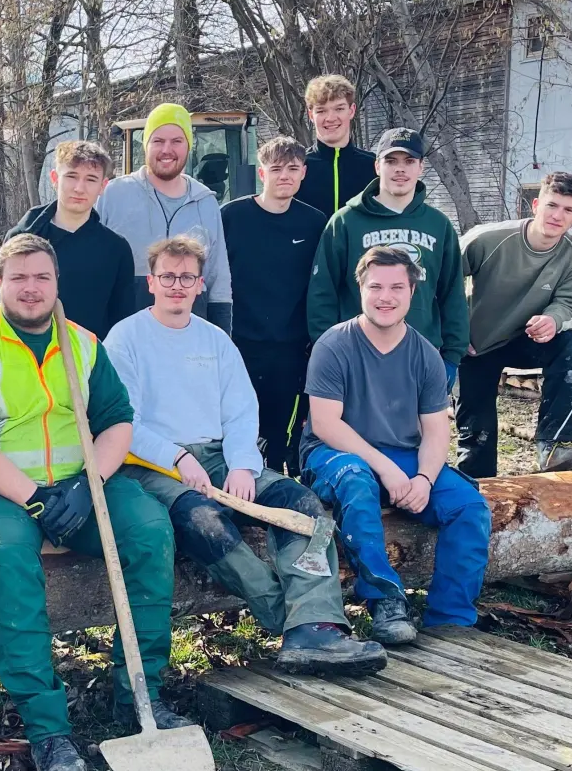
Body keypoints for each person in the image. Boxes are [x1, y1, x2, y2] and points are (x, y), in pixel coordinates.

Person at [0, 233, 188, 771]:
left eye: (41, 277)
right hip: (0, 486)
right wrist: (35, 498)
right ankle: (49, 728)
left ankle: (139, 694)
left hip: (81, 481)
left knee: (149, 531)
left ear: (56, 283)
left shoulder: (83, 344)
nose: (31, 288)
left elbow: (118, 419)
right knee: (6, 561)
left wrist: (88, 480)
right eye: (18, 277)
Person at [106, 237, 385, 675]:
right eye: (167, 276)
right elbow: (125, 420)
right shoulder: (126, 338)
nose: (177, 285)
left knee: (301, 503)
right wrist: (176, 458)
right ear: (151, 282)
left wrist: (240, 463)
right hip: (151, 465)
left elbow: (240, 409)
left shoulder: (215, 340)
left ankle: (319, 624)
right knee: (204, 520)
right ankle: (289, 620)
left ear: (200, 285)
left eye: (187, 277)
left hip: (219, 455)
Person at [302, 246, 491, 644]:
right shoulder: (334, 345)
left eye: (396, 287)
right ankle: (385, 601)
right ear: (360, 289)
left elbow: (437, 431)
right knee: (357, 481)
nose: (384, 297)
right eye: (375, 287)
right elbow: (324, 423)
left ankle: (450, 618)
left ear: (412, 292)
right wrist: (384, 469)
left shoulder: (425, 354)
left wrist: (423, 477)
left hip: (404, 454)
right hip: (335, 452)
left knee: (468, 505)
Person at [456, 172, 572, 477]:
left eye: (568, 210)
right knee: (477, 439)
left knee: (571, 346)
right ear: (535, 205)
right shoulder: (486, 239)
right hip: (477, 342)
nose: (557, 216)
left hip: (530, 339)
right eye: (552, 205)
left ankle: (553, 446)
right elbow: (443, 282)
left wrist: (553, 319)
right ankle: (473, 493)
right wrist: (454, 330)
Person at [306, 127, 468, 386]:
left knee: (418, 427)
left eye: (409, 161)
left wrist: (452, 355)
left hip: (420, 355)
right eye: (391, 161)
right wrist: (327, 348)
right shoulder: (346, 222)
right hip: (355, 356)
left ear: (421, 167)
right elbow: (322, 290)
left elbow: (452, 293)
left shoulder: (438, 225)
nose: (400, 169)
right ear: (377, 166)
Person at [220, 136, 328, 473]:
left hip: (291, 345)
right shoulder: (232, 216)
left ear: (303, 174)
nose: (285, 175)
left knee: (281, 428)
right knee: (240, 422)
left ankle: (280, 486)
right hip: (240, 342)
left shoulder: (313, 222)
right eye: (276, 168)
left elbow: (319, 284)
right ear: (262, 173)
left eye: (292, 169)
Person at [97, 102, 234, 333]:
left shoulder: (205, 201)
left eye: (177, 141)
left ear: (188, 146)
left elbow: (217, 277)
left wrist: (222, 334)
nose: (166, 150)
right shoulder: (113, 194)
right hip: (125, 338)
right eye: (158, 141)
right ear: (146, 145)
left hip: (188, 338)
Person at [7, 139, 138, 338]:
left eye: (91, 179)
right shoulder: (23, 238)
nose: (79, 188)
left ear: (103, 186)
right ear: (55, 179)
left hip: (88, 361)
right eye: (71, 176)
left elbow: (122, 321)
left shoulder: (115, 250)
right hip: (25, 359)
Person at [298, 74, 377, 217]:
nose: (331, 118)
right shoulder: (297, 167)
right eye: (321, 111)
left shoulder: (375, 166)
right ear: (311, 116)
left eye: (339, 109)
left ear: (351, 111)